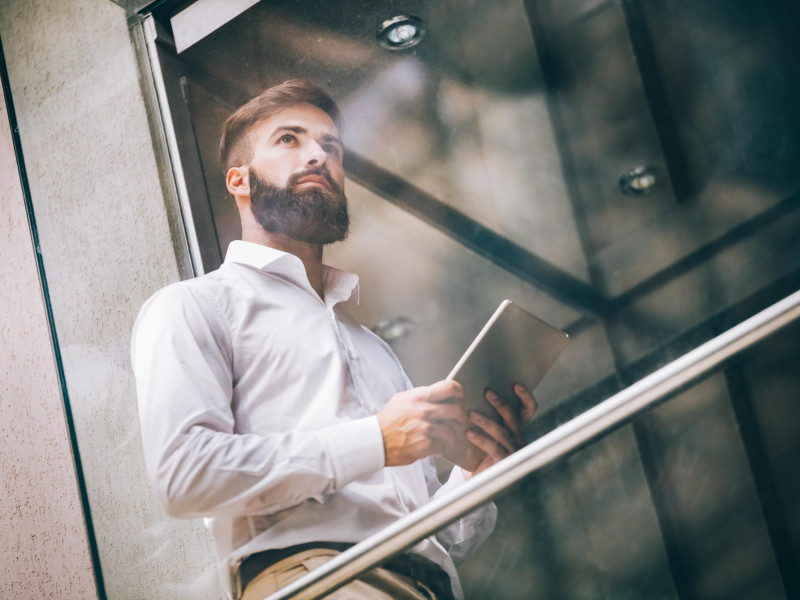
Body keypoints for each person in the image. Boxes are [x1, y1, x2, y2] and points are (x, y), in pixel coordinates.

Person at [132, 79, 538, 600]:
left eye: (332, 147)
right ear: (239, 180)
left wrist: (477, 475)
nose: (318, 156)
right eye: (289, 140)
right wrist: (376, 441)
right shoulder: (194, 307)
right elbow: (184, 476)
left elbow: (444, 538)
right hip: (315, 580)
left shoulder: (373, 347)